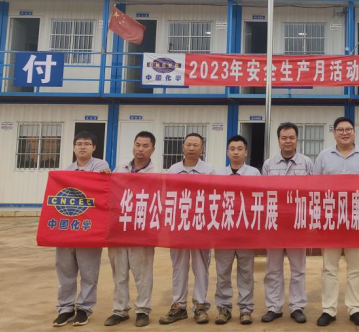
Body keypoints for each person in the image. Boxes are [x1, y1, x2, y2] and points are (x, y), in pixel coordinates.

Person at [313, 116, 359, 328]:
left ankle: (355, 309)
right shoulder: (324, 156)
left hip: (356, 220)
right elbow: (315, 188)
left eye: (348, 129)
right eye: (340, 130)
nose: (345, 133)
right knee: (329, 268)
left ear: (354, 132)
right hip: (330, 220)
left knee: (355, 268)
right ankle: (328, 310)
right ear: (334, 133)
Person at [52, 131, 111, 328]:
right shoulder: (66, 171)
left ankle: (84, 308)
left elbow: (99, 191)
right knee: (65, 269)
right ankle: (66, 308)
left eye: (87, 143)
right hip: (68, 227)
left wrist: (104, 178)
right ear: (74, 147)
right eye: (79, 143)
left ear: (94, 147)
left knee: (88, 271)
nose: (82, 146)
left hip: (89, 228)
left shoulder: (101, 166)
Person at [159, 133, 215, 326]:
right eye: (188, 144)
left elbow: (213, 196)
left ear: (202, 149)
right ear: (183, 147)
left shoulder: (209, 170)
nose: (191, 148)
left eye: (196, 145)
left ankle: (200, 306)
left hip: (201, 225)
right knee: (179, 267)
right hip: (179, 225)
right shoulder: (173, 170)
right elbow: (166, 196)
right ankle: (178, 306)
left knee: (201, 267)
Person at [261, 123, 314, 324]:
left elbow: (313, 192)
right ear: (278, 140)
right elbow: (263, 193)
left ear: (297, 139)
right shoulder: (269, 164)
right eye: (284, 138)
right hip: (275, 223)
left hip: (297, 223)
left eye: (291, 137)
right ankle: (274, 307)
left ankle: (297, 307)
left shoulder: (307, 163)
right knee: (273, 268)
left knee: (298, 269)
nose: (288, 141)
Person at [104, 131, 157, 328]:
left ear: (153, 149)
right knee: (119, 272)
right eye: (137, 145)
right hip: (118, 228)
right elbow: (109, 191)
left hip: (141, 230)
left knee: (143, 273)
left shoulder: (155, 174)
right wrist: (104, 178)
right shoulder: (120, 167)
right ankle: (120, 310)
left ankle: (143, 310)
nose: (140, 149)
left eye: (145, 146)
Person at [214, 135, 261, 326]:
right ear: (227, 152)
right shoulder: (218, 175)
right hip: (224, 232)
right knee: (222, 272)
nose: (236, 152)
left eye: (240, 149)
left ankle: (246, 309)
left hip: (245, 232)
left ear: (246, 152)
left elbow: (259, 200)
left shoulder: (254, 173)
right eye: (232, 149)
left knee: (246, 272)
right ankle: (223, 308)